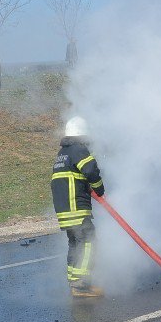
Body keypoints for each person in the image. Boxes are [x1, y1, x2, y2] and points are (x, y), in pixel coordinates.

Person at [51, 116, 106, 297]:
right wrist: (99, 188)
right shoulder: (78, 149)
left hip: (65, 212)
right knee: (89, 241)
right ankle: (81, 285)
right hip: (77, 209)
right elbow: (90, 169)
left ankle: (74, 282)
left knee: (75, 244)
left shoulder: (62, 155)